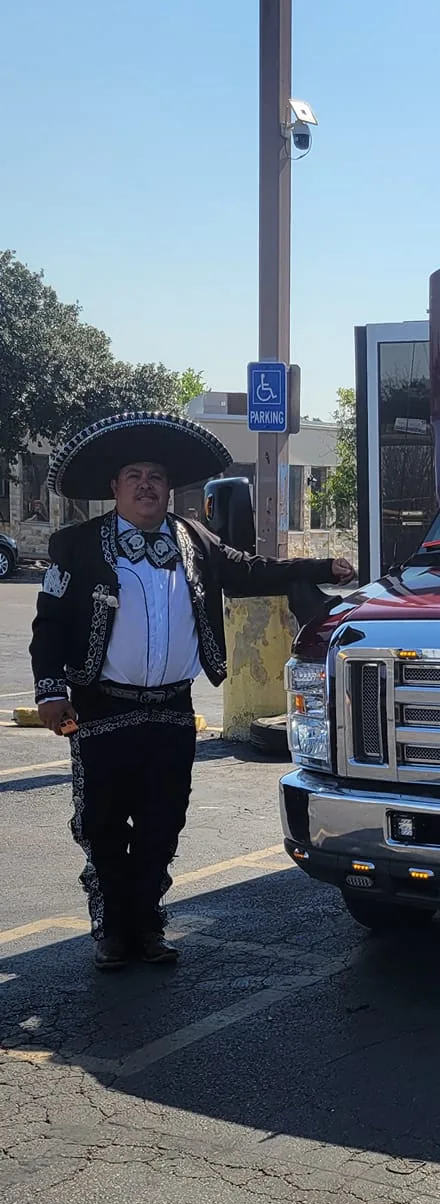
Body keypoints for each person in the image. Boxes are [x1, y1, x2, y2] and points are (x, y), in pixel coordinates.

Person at [30, 410, 356, 971]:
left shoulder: (194, 538)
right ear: (115, 487)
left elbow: (252, 571)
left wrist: (321, 564)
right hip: (101, 705)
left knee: (163, 822)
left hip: (173, 710)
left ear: (169, 487)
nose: (145, 485)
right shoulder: (75, 546)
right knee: (103, 825)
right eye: (133, 475)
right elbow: (49, 625)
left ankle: (147, 925)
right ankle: (113, 929)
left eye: (155, 476)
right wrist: (49, 691)